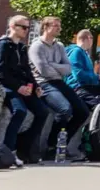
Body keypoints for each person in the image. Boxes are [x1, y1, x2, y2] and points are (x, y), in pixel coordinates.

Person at [29, 17, 88, 161]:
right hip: (44, 83)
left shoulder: (59, 46)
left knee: (83, 111)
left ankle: (62, 143)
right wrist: (58, 68)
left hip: (59, 82)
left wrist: (51, 64)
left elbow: (68, 69)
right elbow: (44, 71)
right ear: (45, 27)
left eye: (59, 26)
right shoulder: (37, 46)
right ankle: (51, 145)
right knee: (64, 109)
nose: (59, 28)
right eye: (55, 25)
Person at [0, 15, 50, 163]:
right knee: (19, 111)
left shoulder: (22, 48)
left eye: (28, 27)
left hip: (21, 87)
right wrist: (18, 88)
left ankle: (25, 147)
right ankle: (8, 150)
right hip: (5, 86)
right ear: (12, 27)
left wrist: (36, 86)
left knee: (43, 111)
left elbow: (27, 71)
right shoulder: (2, 46)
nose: (26, 30)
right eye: (23, 27)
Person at [64, 29, 100, 108]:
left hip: (84, 86)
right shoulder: (76, 52)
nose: (92, 41)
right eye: (92, 38)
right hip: (77, 88)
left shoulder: (83, 52)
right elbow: (79, 75)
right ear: (88, 38)